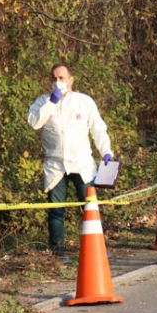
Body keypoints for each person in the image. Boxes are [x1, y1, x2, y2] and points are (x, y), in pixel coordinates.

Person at [27, 63, 113, 260]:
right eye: (54, 78)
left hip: (82, 163)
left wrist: (106, 152)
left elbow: (98, 129)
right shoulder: (43, 102)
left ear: (71, 80)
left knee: (90, 207)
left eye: (61, 78)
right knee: (56, 211)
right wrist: (51, 103)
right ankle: (58, 251)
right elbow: (34, 123)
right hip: (55, 165)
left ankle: (96, 249)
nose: (57, 82)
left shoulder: (84, 102)